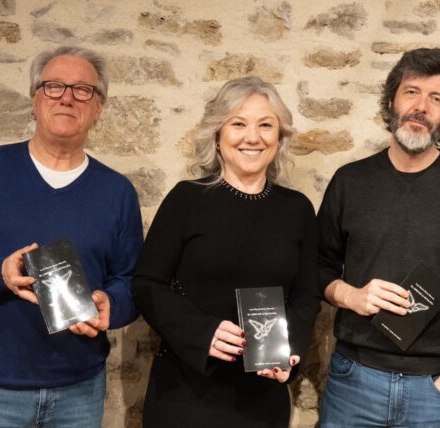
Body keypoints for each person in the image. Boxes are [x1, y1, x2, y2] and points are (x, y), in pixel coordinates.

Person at [0, 46, 143, 427]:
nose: (67, 98)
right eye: (53, 86)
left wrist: (112, 304)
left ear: (98, 107)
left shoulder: (117, 191)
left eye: (83, 90)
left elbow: (131, 280)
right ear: (35, 98)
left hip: (79, 393)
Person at [317, 47, 440, 427]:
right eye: (411, 92)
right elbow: (318, 269)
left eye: (437, 99)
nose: (421, 107)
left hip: (433, 391)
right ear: (391, 101)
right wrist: (353, 295)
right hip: (354, 382)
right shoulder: (350, 182)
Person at [132, 76, 320, 427]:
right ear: (218, 134)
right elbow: (146, 283)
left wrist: (289, 355)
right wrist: (203, 332)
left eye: (265, 125)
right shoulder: (187, 199)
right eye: (238, 124)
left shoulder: (297, 209)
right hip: (186, 393)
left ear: (279, 137)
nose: (253, 137)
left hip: (263, 399)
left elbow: (306, 296)